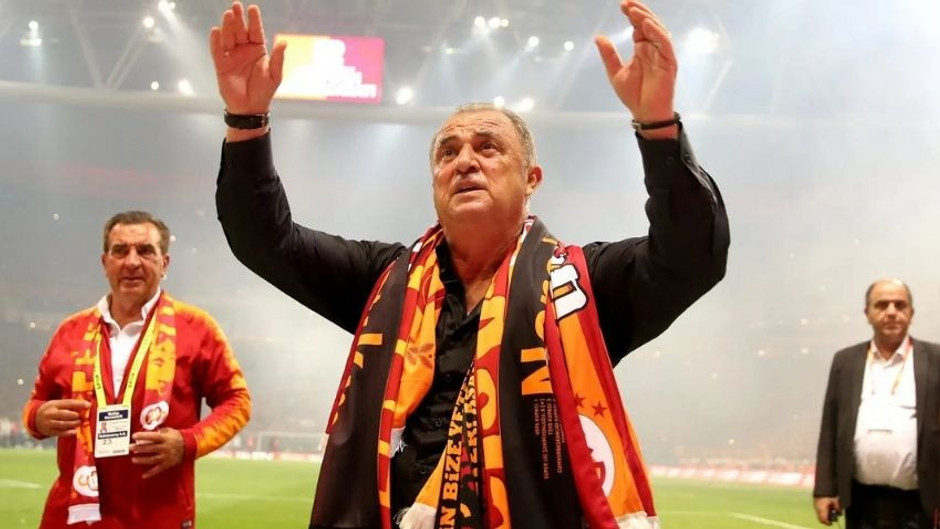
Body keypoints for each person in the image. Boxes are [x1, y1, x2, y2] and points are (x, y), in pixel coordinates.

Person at [211, 1, 728, 527]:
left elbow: (691, 257)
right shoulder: (385, 279)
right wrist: (246, 123)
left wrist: (658, 126)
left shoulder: (578, 285)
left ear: (531, 179)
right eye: (447, 152)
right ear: (434, 180)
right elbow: (266, 242)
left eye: (488, 147)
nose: (464, 162)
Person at [22, 211, 251, 529]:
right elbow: (35, 404)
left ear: (164, 263)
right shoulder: (70, 331)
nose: (132, 262)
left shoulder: (197, 328)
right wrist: (38, 418)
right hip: (74, 514)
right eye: (120, 251)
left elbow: (238, 402)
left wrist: (188, 442)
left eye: (145, 251)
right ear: (105, 263)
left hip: (158, 514)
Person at [813, 279, 940, 528]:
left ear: (911, 313)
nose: (891, 312)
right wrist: (824, 489)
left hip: (921, 503)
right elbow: (830, 428)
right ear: (867, 313)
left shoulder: (936, 360)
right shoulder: (846, 362)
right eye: (882, 305)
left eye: (900, 305)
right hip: (861, 504)